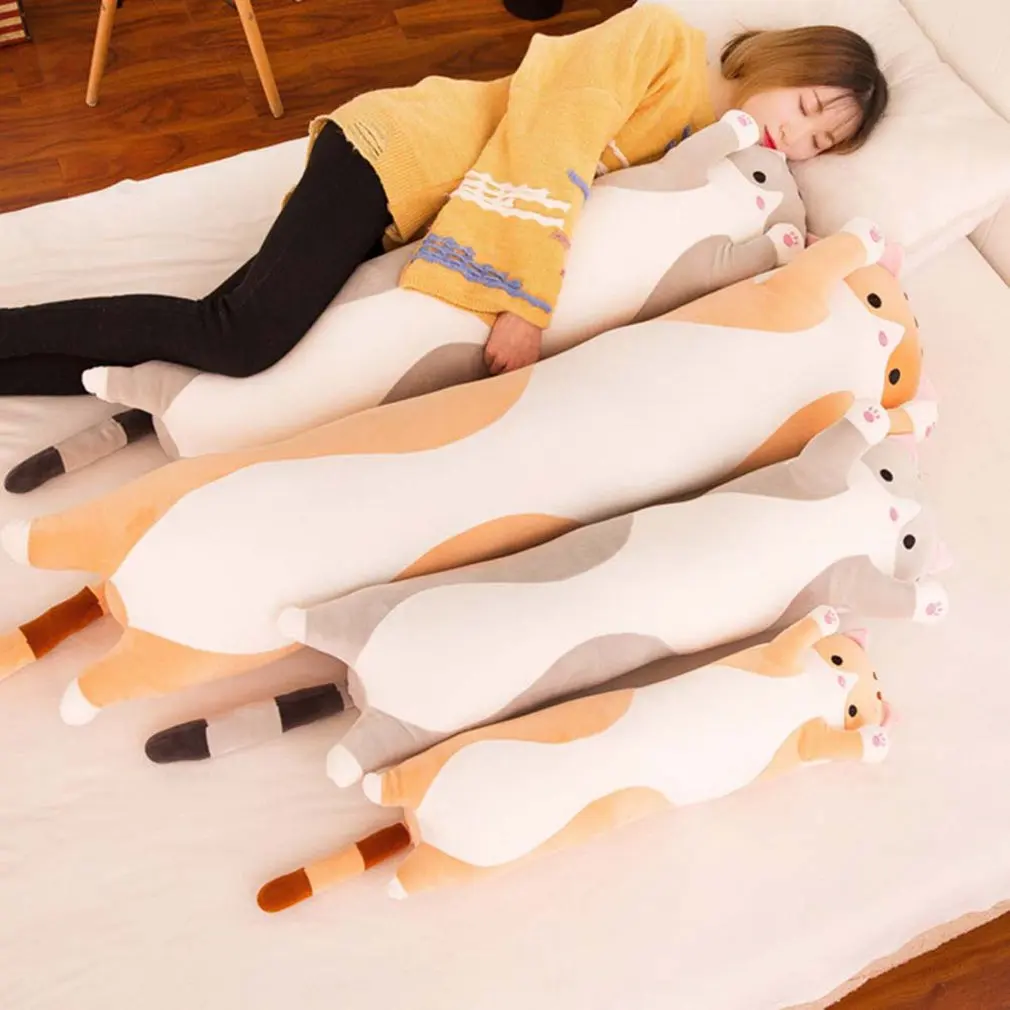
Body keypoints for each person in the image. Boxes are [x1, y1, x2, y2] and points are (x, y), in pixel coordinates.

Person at [0, 4, 887, 395]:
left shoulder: (700, 152)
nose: (797, 138)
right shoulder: (664, 43)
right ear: (787, 61)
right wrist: (525, 303)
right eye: (809, 106)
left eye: (820, 144)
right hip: (396, 152)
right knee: (239, 337)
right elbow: (555, 137)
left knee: (211, 346)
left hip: (408, 198)